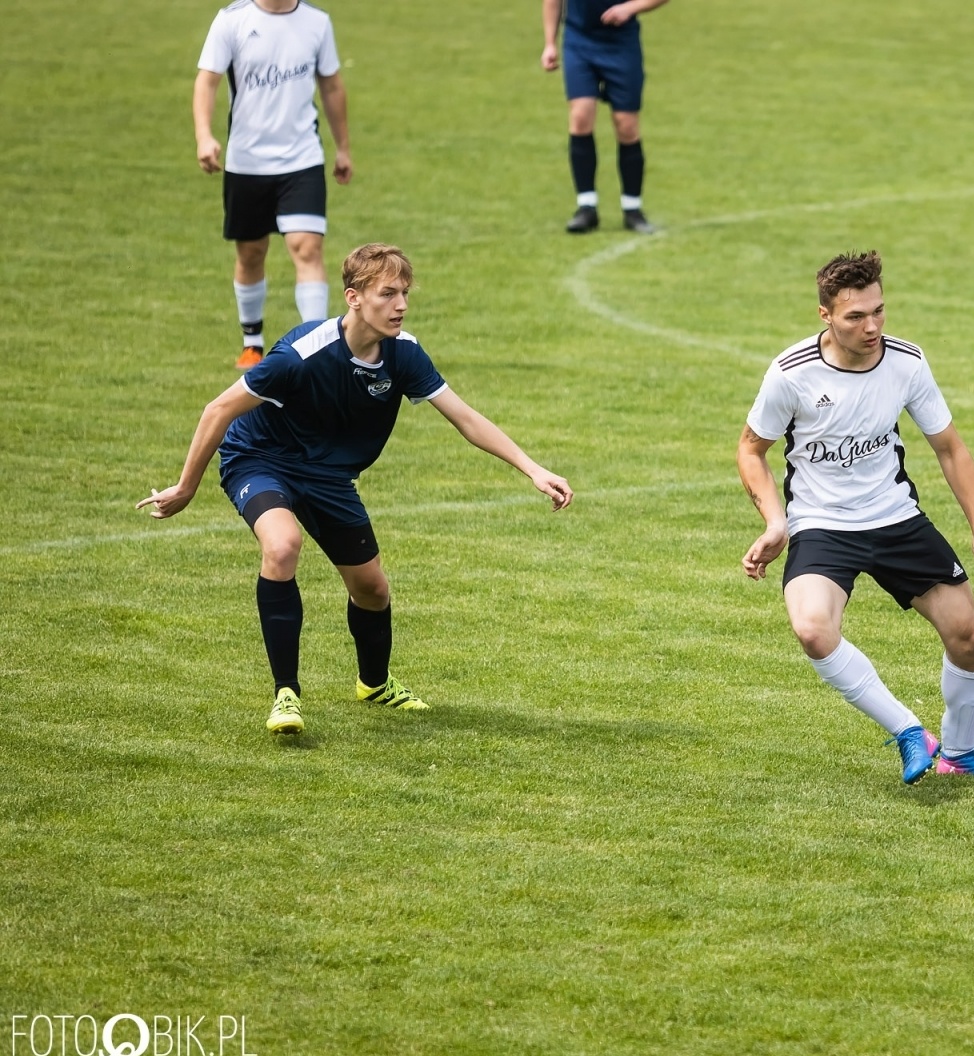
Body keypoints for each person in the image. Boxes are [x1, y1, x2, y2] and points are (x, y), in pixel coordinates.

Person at [138, 244, 574, 734]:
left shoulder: (403, 353)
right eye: (387, 293)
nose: (401, 304)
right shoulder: (302, 355)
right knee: (282, 546)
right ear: (354, 297)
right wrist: (186, 487)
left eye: (405, 292)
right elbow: (219, 409)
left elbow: (465, 418)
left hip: (327, 476)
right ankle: (286, 695)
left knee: (372, 588)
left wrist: (533, 469)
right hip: (261, 460)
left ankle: (375, 683)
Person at [736, 252, 974, 785]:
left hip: (895, 518)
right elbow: (751, 450)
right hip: (822, 524)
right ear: (825, 315)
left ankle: (959, 754)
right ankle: (911, 733)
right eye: (855, 317)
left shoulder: (906, 363)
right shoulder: (791, 374)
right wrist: (776, 522)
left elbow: (951, 450)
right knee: (813, 629)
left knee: (970, 637)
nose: (872, 327)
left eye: (879, 312)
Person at [194, 0, 352, 369]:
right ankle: (252, 343)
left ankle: (314, 346)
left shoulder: (317, 22)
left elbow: (331, 87)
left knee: (308, 249)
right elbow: (207, 80)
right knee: (251, 253)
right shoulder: (232, 21)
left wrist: (343, 148)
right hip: (247, 162)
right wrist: (204, 136)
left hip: (303, 159)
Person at [541, 0, 670, 235]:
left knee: (626, 125)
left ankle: (632, 209)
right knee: (580, 116)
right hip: (579, 42)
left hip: (622, 45)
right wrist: (550, 43)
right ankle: (586, 207)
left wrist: (629, 8)